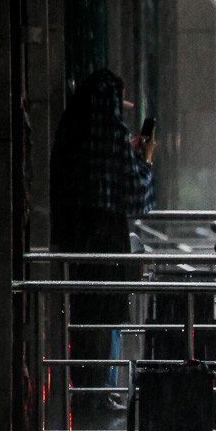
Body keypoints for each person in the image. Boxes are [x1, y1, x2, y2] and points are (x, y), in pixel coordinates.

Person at [49, 69, 156, 412]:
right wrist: (145, 157)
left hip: (77, 239)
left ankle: (84, 391)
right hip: (107, 239)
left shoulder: (73, 131)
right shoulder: (111, 134)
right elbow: (137, 195)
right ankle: (99, 393)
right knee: (107, 315)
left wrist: (125, 149)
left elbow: (94, 174)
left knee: (84, 316)